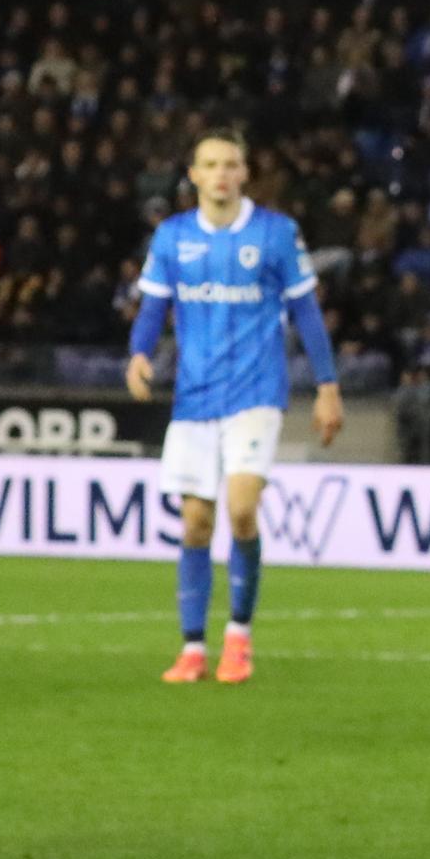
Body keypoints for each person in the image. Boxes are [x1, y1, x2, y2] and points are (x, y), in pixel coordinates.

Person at [127, 131, 342, 684]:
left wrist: (326, 385)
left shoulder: (274, 233)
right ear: (193, 175)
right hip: (195, 397)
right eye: (210, 165)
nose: (221, 173)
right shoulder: (172, 237)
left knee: (241, 509)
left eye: (230, 164)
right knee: (196, 522)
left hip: (255, 393)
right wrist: (138, 355)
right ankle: (194, 647)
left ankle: (239, 638)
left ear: (245, 173)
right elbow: (153, 306)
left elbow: (307, 314)